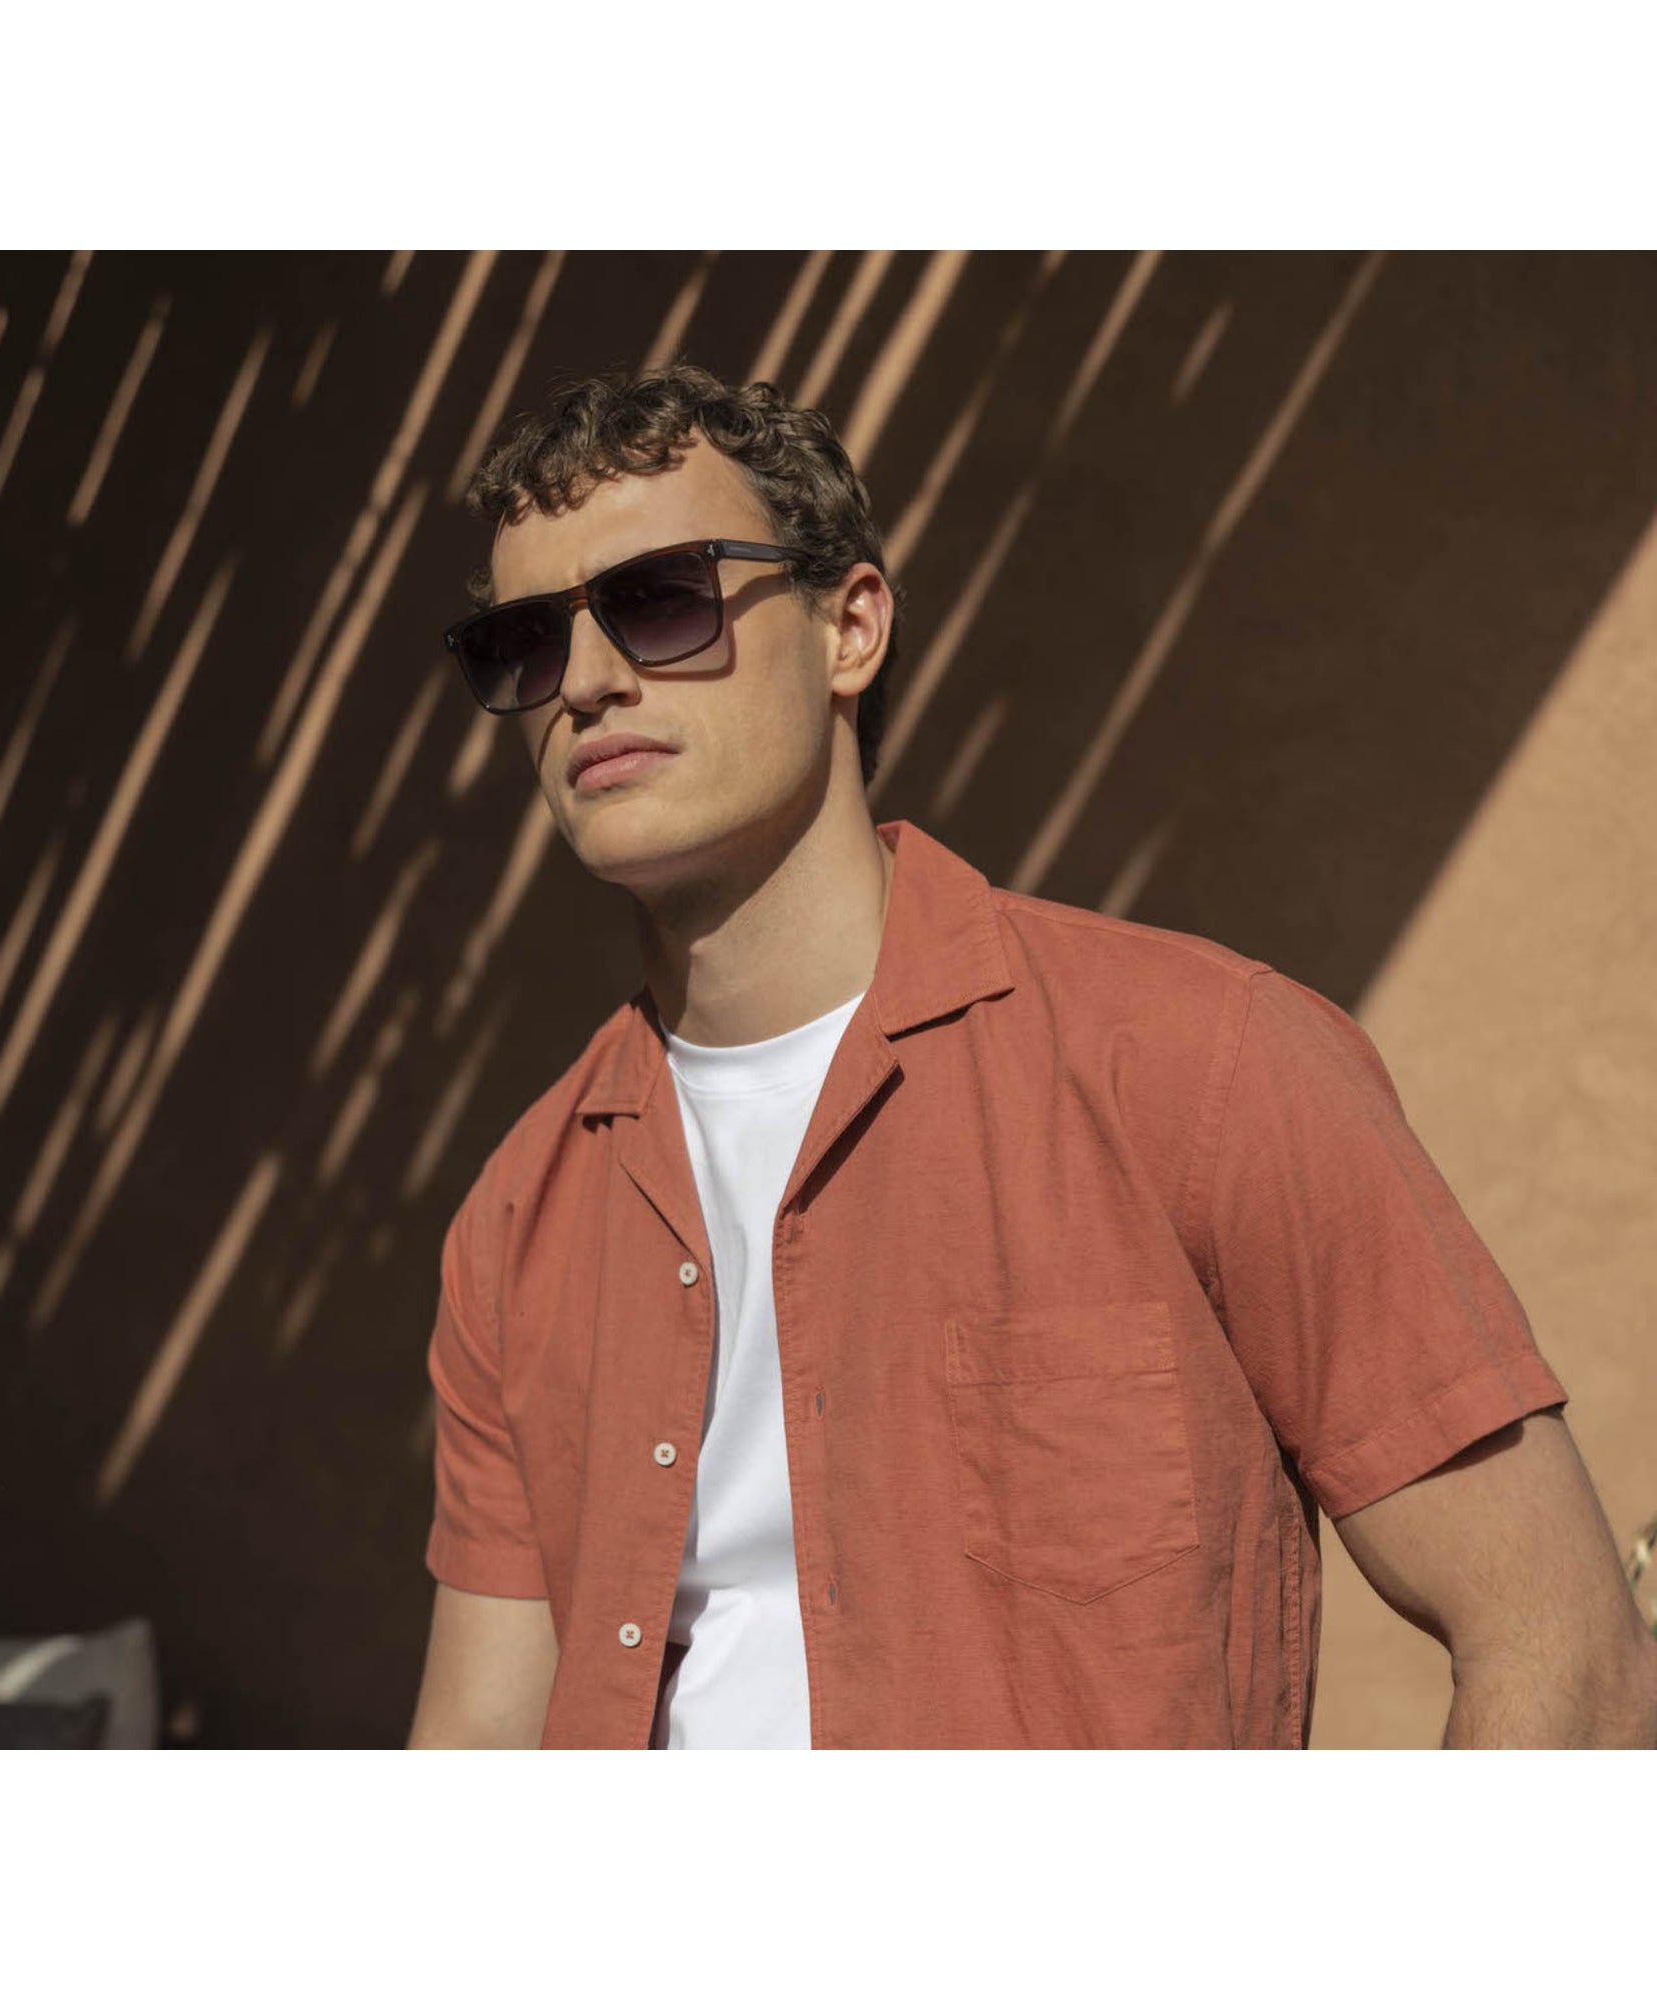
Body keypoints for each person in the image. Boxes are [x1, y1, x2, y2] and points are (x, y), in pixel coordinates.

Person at [405, 361, 1657, 1749]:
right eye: (526, 641)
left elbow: (1565, 1653)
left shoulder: (1203, 1066)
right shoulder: (521, 1217)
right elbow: (475, 1752)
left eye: (659, 599)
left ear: (851, 628)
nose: (585, 681)